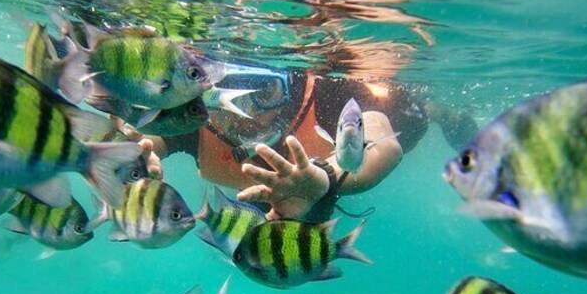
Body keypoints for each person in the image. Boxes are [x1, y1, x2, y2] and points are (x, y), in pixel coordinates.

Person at [132, 63, 475, 222]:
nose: (243, 116)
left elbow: (384, 144)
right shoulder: (194, 119)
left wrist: (325, 176)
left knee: (407, 112)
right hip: (276, 206)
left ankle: (437, 110)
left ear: (292, 87)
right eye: (223, 100)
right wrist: (131, 156)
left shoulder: (324, 92)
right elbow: (148, 142)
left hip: (396, 118)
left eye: (264, 93)